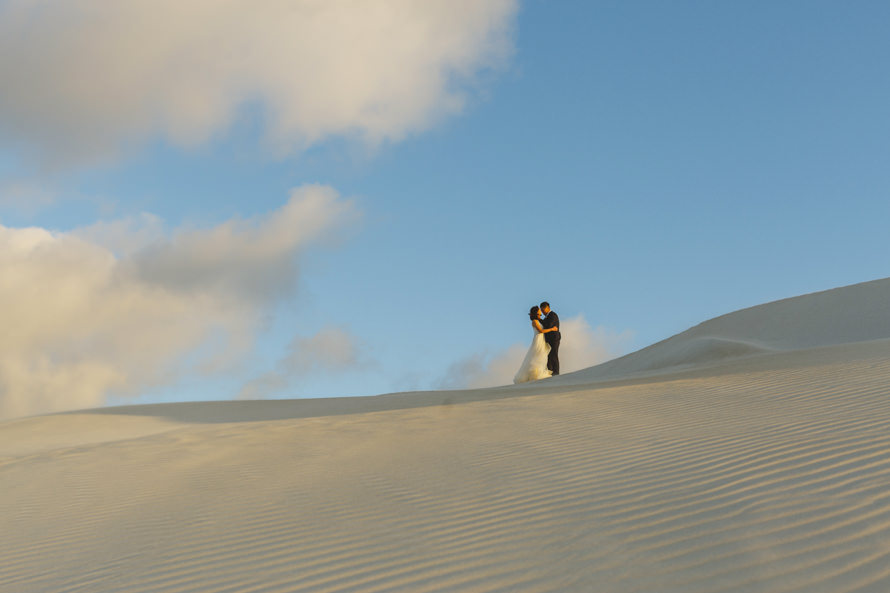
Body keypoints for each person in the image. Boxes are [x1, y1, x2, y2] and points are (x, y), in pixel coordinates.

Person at [513, 306, 558, 384]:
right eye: (539, 310)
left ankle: (539, 372)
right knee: (537, 356)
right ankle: (535, 375)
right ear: (536, 312)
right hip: (538, 340)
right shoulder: (534, 321)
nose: (540, 311)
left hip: (542, 340)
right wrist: (552, 329)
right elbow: (541, 330)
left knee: (542, 356)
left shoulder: (539, 320)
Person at [539, 301, 560, 375]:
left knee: (554, 355)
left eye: (543, 310)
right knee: (549, 356)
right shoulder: (546, 317)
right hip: (548, 339)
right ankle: (550, 371)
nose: (542, 312)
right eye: (541, 310)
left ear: (547, 308)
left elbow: (549, 325)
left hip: (554, 339)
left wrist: (539, 319)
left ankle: (556, 372)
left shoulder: (553, 315)